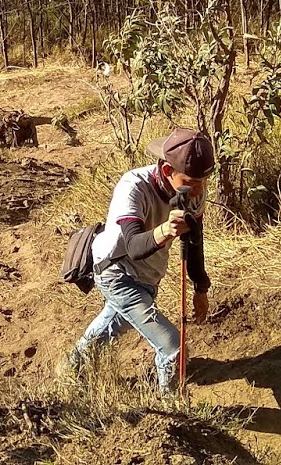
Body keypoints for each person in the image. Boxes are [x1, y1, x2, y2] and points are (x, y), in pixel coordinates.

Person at [66, 127, 214, 394]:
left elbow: (195, 241)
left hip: (147, 277)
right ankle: (173, 413)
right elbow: (133, 245)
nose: (199, 190)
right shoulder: (133, 187)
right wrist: (164, 231)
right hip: (115, 271)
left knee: (113, 322)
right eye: (192, 181)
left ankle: (71, 370)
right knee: (173, 349)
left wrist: (200, 288)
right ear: (168, 171)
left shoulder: (194, 190)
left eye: (204, 181)